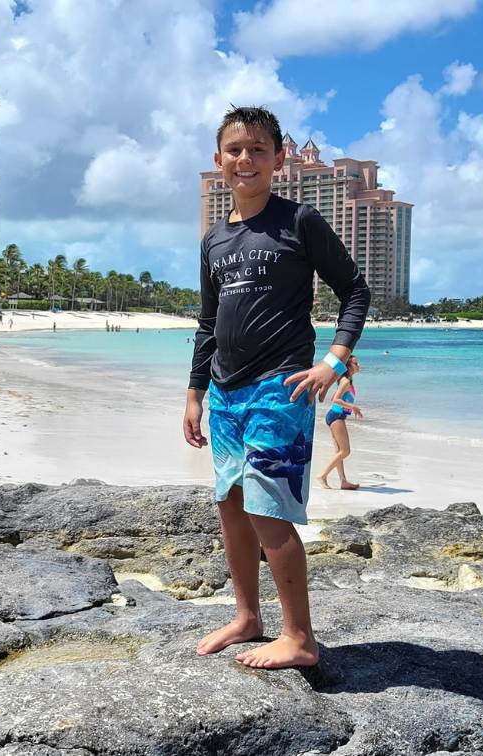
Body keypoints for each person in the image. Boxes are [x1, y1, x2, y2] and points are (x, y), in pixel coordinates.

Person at [184, 106, 370, 669]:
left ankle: (300, 638)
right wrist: (194, 394)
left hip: (278, 388)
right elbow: (207, 322)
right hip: (224, 392)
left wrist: (333, 364)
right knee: (233, 506)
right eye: (235, 150)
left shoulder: (300, 221)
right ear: (219, 161)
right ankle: (247, 617)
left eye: (258, 149)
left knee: (270, 511)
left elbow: (354, 292)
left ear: (278, 159)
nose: (246, 159)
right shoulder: (215, 239)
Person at [317, 356, 363, 490]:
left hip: (336, 416)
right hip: (337, 416)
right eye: (355, 363)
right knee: (345, 451)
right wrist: (352, 407)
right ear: (349, 366)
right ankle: (322, 475)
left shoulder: (347, 380)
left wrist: (351, 407)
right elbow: (334, 399)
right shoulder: (345, 382)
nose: (358, 365)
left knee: (339, 451)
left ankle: (343, 481)